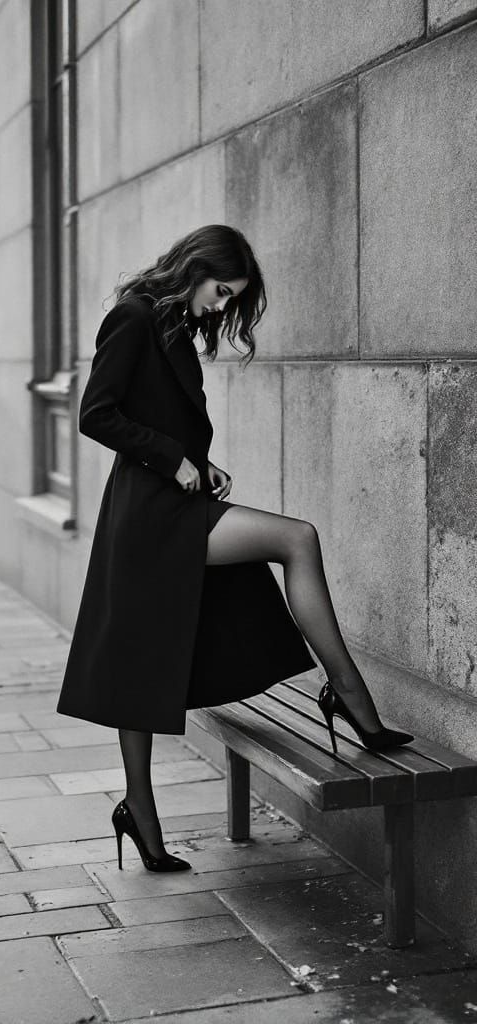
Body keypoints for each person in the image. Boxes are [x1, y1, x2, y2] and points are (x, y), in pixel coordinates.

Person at [56, 224, 413, 873]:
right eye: (221, 291)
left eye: (231, 297)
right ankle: (350, 697)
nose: (222, 307)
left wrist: (199, 462)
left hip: (167, 505)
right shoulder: (132, 318)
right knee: (294, 539)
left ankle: (145, 811)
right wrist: (172, 459)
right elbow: (95, 414)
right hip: (148, 517)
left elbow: (156, 418)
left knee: (141, 659)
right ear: (193, 269)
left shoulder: (171, 328)